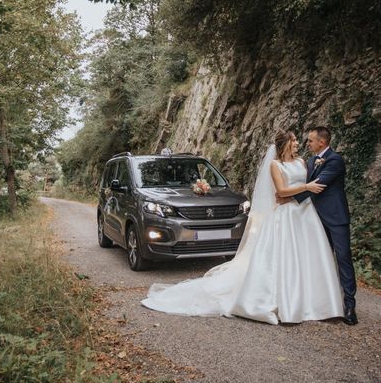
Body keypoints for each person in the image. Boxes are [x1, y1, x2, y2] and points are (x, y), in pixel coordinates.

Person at [141, 131, 344, 324]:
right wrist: (304, 188)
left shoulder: (302, 162)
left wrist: (294, 194)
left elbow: (294, 190)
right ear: (286, 144)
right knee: (285, 258)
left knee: (308, 257)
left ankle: (313, 301)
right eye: (295, 140)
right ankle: (288, 303)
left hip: (306, 214)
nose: (299, 143)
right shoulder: (275, 165)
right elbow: (281, 190)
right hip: (286, 216)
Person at [279, 126, 358, 325]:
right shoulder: (312, 161)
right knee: (319, 260)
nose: (308, 144)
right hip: (314, 219)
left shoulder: (335, 160)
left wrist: (288, 198)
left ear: (321, 143)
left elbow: (319, 185)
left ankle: (349, 305)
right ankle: (323, 303)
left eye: (311, 141)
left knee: (343, 259)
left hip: (336, 218)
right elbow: (304, 182)